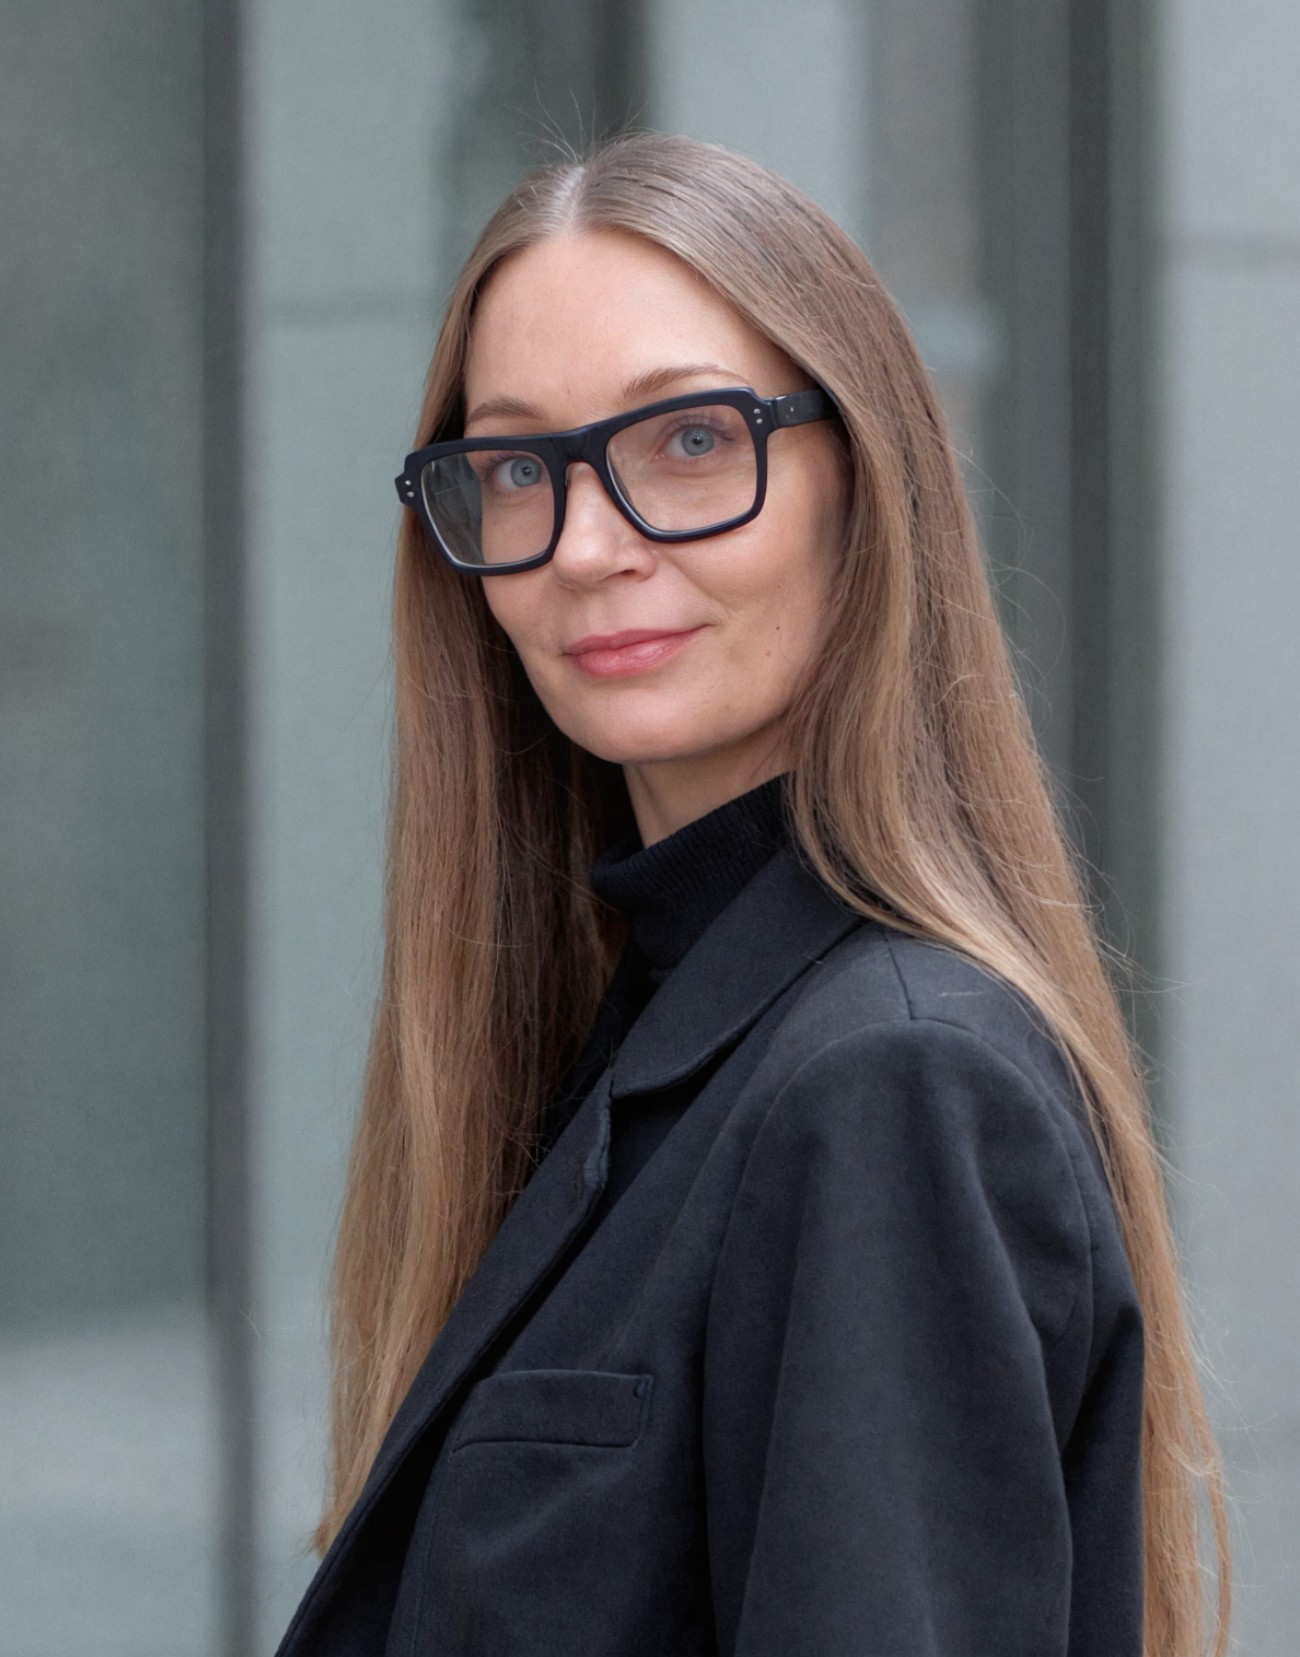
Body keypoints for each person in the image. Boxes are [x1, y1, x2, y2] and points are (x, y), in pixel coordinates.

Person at [275, 134, 1229, 1657]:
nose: (588, 547)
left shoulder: (886, 1082)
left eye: (692, 442)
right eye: (518, 467)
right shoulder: (642, 1031)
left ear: (864, 478)